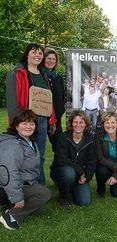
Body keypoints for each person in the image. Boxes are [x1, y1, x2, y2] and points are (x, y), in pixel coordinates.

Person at [5, 43, 57, 185]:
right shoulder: (16, 74)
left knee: (39, 154)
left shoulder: (43, 75)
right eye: (34, 52)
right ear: (27, 54)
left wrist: (51, 121)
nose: (37, 55)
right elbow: (12, 101)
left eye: (40, 53)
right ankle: (20, 186)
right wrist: (16, 122)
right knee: (22, 154)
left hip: (42, 120)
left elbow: (48, 99)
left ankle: (39, 186)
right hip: (25, 121)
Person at [0, 109, 51, 230]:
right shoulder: (13, 145)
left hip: (23, 183)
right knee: (44, 194)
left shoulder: (29, 141)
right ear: (16, 125)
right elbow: (8, 174)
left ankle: (9, 205)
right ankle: (10, 216)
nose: (28, 127)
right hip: (6, 188)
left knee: (38, 210)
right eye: (24, 123)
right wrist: (17, 198)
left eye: (32, 123)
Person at [50, 110, 97, 207]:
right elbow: (60, 159)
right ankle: (64, 198)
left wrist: (86, 177)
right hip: (61, 171)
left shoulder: (91, 140)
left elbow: (92, 161)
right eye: (75, 122)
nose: (78, 125)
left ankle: (70, 187)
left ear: (86, 124)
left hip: (79, 175)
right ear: (71, 123)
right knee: (69, 173)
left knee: (85, 201)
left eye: (81, 122)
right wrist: (80, 170)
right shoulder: (64, 137)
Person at [44, 49, 66, 157]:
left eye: (53, 59)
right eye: (48, 58)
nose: (51, 61)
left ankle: (59, 171)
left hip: (55, 119)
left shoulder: (58, 78)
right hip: (41, 118)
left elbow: (62, 96)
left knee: (59, 148)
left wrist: (58, 113)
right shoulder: (39, 76)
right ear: (44, 59)